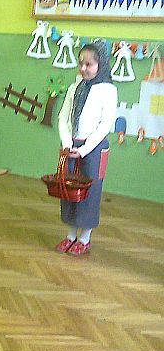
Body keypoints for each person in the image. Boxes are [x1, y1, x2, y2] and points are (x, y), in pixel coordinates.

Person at [56, 40, 117, 256]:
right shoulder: (74, 87)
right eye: (81, 63)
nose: (83, 68)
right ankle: (71, 234)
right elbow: (63, 118)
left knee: (89, 192)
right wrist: (67, 143)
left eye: (89, 64)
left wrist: (83, 150)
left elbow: (105, 125)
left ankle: (85, 237)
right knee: (69, 190)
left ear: (101, 64)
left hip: (93, 149)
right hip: (71, 146)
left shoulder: (108, 90)